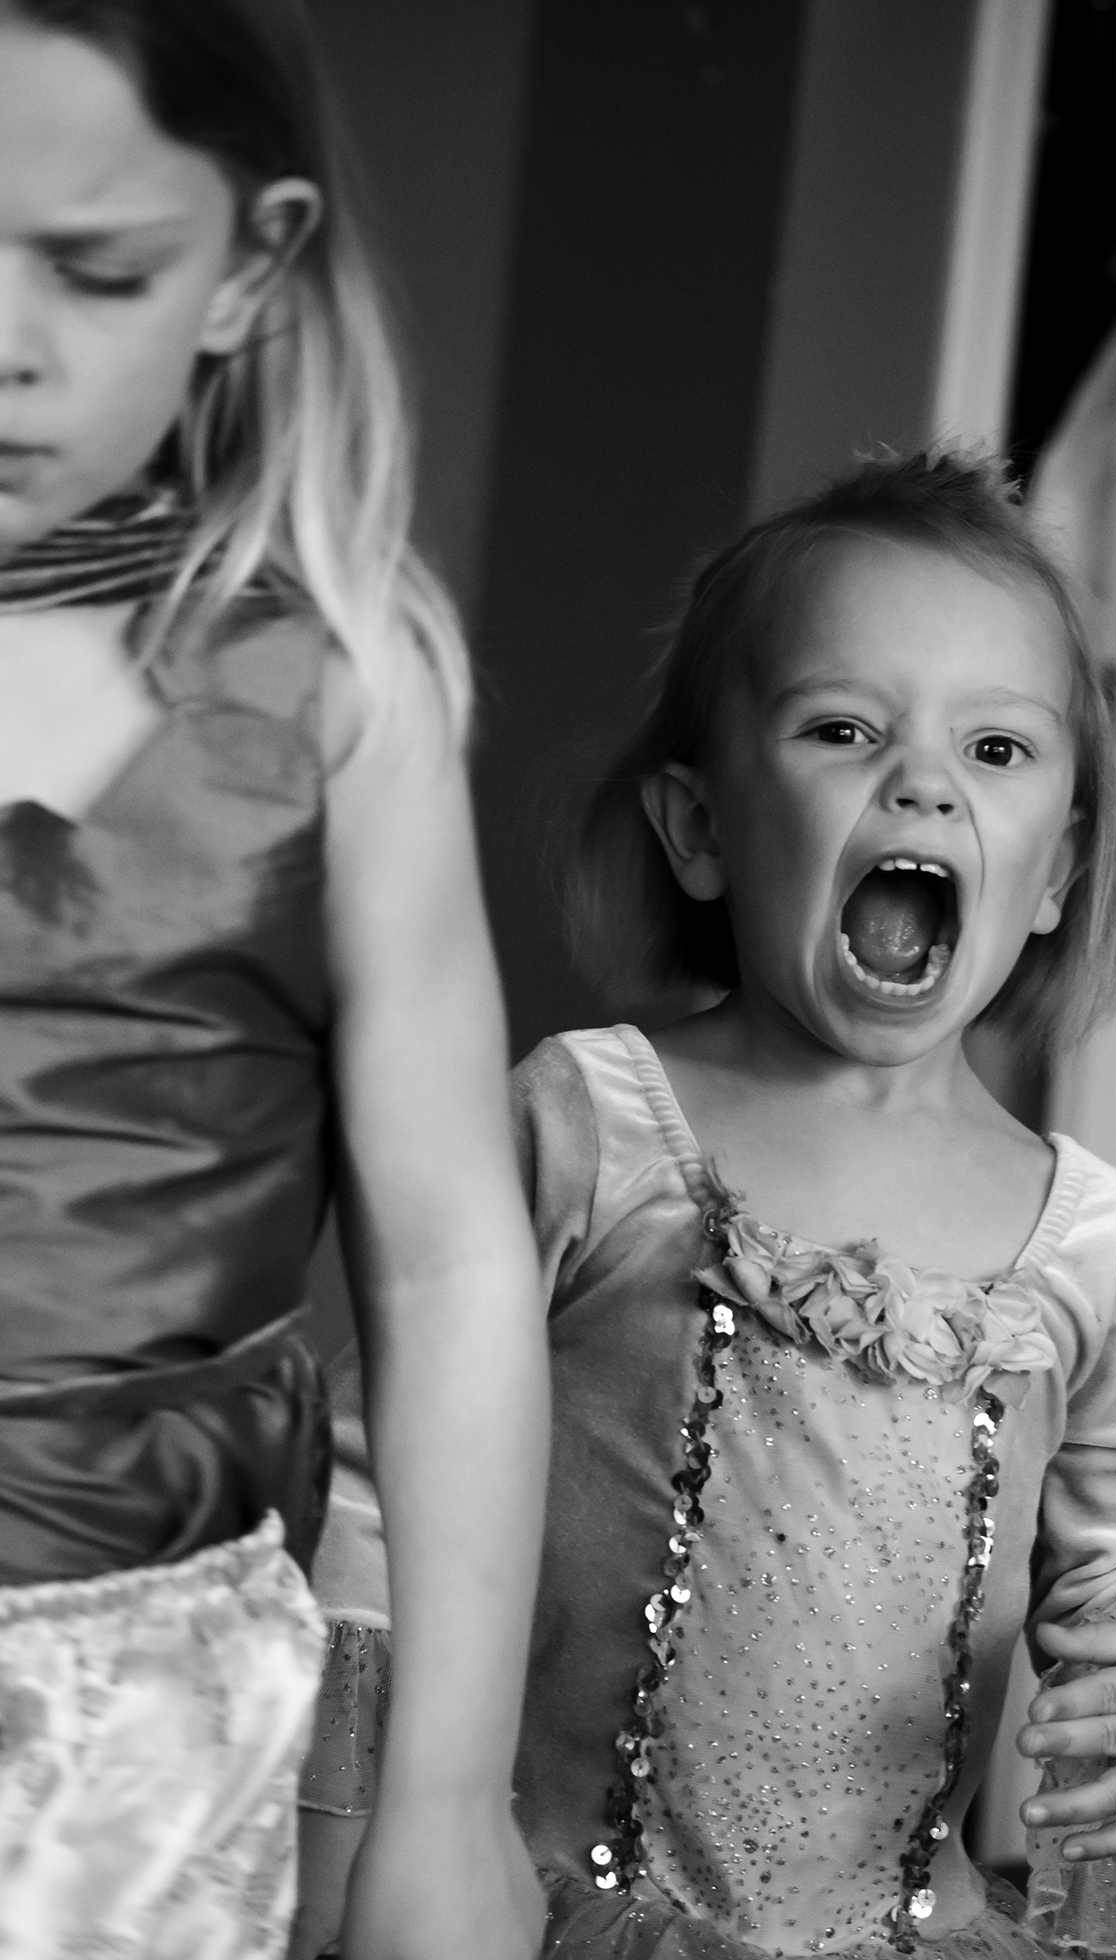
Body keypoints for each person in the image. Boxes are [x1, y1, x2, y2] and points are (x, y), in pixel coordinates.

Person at [306, 452, 1116, 1960]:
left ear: (1055, 878)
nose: (924, 781)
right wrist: (369, 1828)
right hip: (556, 1904)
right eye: (846, 730)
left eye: (998, 749)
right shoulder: (596, 1123)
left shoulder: (1079, 1230)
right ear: (701, 830)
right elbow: (383, 1477)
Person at [0, 5, 547, 1958]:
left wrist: (450, 1801)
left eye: (99, 266)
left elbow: (447, 1256)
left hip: (135, 1721)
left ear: (245, 269)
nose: (8, 339)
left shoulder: (336, 688)